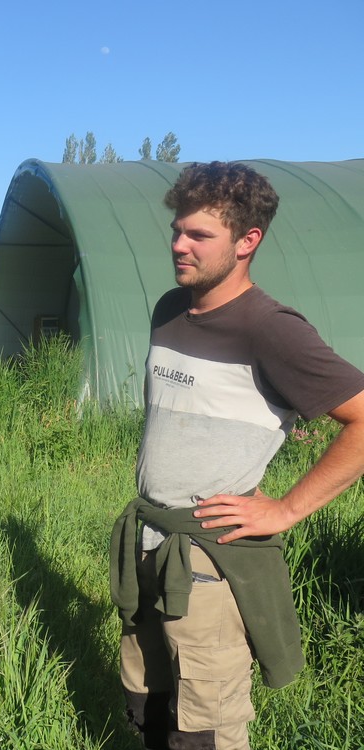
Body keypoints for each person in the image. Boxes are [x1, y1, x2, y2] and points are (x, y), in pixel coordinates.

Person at [109, 161, 364, 749]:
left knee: (207, 729)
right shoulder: (170, 309)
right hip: (148, 542)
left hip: (208, 565)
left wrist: (285, 510)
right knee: (148, 707)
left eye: (200, 235)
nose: (179, 244)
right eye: (176, 229)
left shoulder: (272, 330)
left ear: (249, 241)